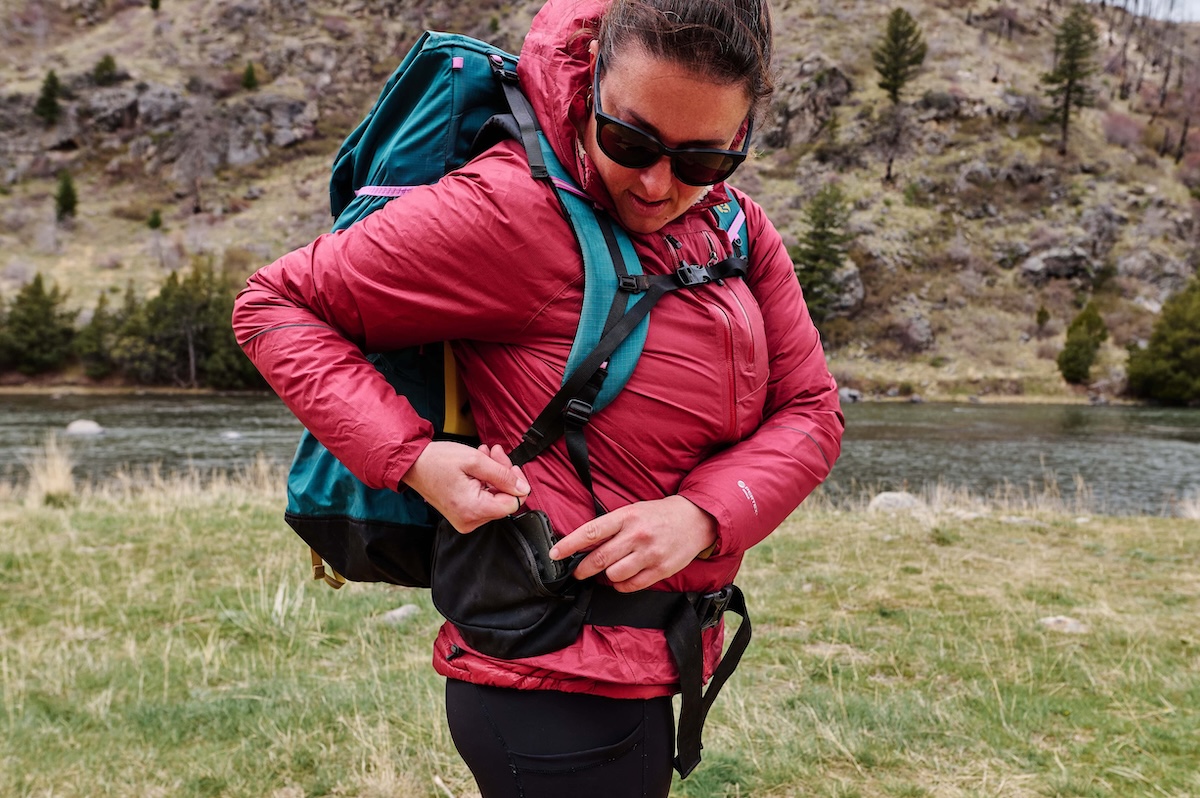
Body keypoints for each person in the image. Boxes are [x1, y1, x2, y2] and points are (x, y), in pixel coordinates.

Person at [233, 0, 844, 794]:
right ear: (590, 82)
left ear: (742, 136)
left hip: (639, 666)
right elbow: (274, 305)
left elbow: (812, 412)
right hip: (546, 680)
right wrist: (414, 459)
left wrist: (702, 515)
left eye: (702, 159)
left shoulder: (735, 225)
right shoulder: (508, 210)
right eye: (630, 141)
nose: (659, 185)